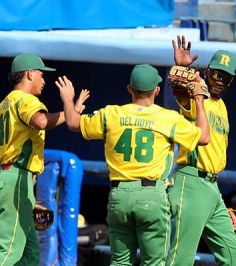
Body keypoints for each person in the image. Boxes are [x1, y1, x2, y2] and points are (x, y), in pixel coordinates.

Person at [55, 64, 210, 265]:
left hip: (119, 196)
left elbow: (73, 123)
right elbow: (204, 137)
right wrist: (199, 100)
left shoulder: (111, 114)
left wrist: (68, 99)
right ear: (157, 90)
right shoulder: (168, 118)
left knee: (120, 262)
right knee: (153, 263)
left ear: (129, 89)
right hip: (151, 195)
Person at [0, 53, 89, 265]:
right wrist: (70, 109)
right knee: (7, 252)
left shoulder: (1, 107)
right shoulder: (25, 99)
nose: (44, 79)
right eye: (41, 74)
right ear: (30, 73)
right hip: (15, 181)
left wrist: (26, 193)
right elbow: (40, 121)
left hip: (2, 181)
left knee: (29, 254)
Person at [166, 35, 236, 266]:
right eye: (217, 73)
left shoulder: (222, 105)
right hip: (191, 181)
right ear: (208, 71)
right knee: (181, 256)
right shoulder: (196, 96)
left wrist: (213, 193)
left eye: (226, 77)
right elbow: (179, 87)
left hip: (212, 188)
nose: (220, 80)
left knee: (232, 253)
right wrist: (182, 67)